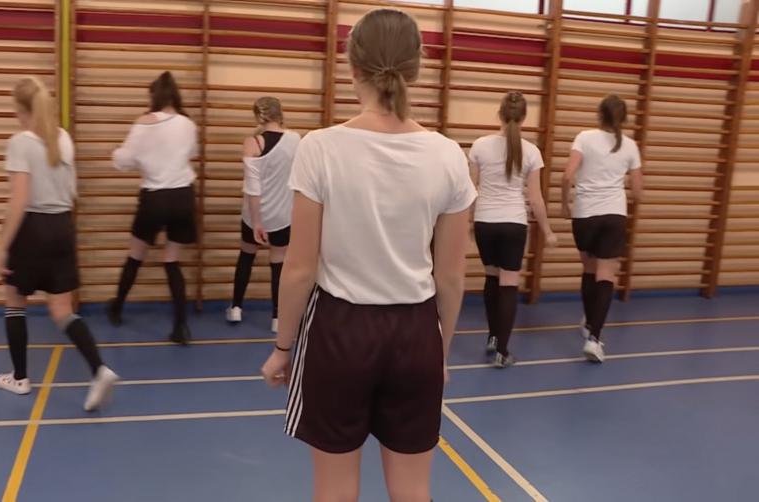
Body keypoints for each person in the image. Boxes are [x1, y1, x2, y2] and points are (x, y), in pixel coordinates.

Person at [260, 9, 475, 502]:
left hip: (339, 331)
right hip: (416, 334)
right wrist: (439, 354)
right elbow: (450, 277)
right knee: (413, 491)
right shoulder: (448, 155)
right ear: (417, 67)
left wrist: (282, 348)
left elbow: (299, 268)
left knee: (335, 491)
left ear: (351, 66)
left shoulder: (321, 148)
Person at [0, 76, 118, 411]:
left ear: (22, 110)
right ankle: (99, 369)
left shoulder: (20, 142)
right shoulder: (63, 138)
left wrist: (2, 245)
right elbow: (71, 191)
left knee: (15, 302)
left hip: (32, 228)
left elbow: (19, 201)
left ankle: (20, 378)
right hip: (62, 226)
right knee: (62, 310)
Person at [105, 71, 199, 345]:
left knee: (136, 255)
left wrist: (119, 152)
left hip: (155, 196)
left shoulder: (144, 123)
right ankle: (181, 327)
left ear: (154, 96)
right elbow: (190, 153)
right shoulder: (188, 124)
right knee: (172, 260)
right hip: (183, 195)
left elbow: (123, 161)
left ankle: (117, 308)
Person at [469, 91, 557, 368]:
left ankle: (493, 336)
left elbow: (471, 190)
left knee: (491, 277)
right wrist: (547, 230)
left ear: (500, 114)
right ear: (524, 117)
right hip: (513, 223)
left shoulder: (480, 146)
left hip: (485, 221)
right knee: (508, 283)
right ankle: (502, 351)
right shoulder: (531, 152)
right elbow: (535, 198)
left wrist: (469, 222)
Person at [561, 94, 643, 363]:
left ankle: (588, 325)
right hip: (613, 215)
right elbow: (638, 192)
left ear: (599, 115)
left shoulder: (584, 138)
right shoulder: (630, 146)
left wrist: (565, 203)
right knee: (606, 275)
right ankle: (594, 339)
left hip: (585, 214)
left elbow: (567, 175)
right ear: (624, 118)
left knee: (589, 269)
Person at [227, 97, 301, 333]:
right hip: (283, 214)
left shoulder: (252, 143)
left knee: (246, 256)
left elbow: (253, 187)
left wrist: (257, 221)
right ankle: (277, 317)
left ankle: (236, 307)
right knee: (278, 263)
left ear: (258, 116)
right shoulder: (296, 140)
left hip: (254, 215)